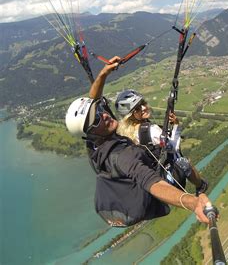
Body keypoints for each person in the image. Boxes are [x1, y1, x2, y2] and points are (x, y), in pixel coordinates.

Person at [65, 56, 211, 227]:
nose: (104, 115)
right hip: (151, 190)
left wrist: (103, 73)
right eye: (96, 119)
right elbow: (152, 182)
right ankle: (201, 185)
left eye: (99, 111)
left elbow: (94, 100)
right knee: (183, 163)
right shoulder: (123, 156)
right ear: (90, 132)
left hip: (127, 193)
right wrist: (193, 203)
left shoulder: (93, 144)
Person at [115, 89, 208, 195]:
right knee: (184, 162)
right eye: (137, 108)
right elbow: (174, 148)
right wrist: (176, 126)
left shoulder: (123, 133)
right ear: (130, 114)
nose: (144, 108)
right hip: (165, 178)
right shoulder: (151, 130)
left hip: (148, 178)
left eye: (143, 103)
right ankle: (201, 186)